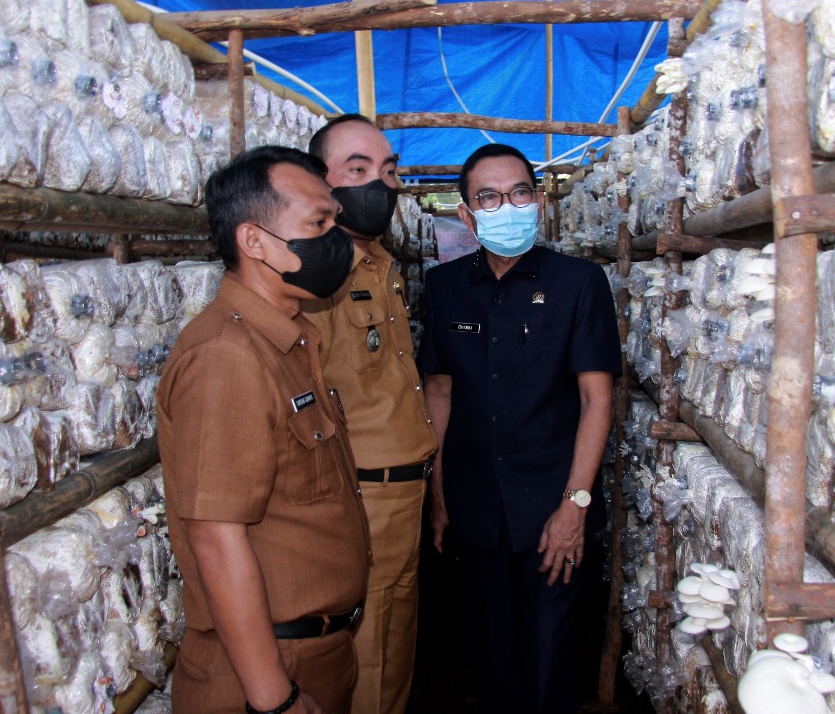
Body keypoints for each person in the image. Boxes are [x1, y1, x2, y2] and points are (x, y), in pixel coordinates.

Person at [157, 146, 371, 714]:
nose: (337, 237)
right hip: (265, 672)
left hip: (312, 655)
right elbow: (215, 537)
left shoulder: (289, 340)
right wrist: (274, 698)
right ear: (254, 242)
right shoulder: (228, 357)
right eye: (319, 223)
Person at [416, 143, 621, 713]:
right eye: (488, 196)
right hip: (476, 503)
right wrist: (438, 492)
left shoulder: (579, 283)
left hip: (554, 503)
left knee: (551, 653)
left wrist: (575, 505)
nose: (506, 205)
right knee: (491, 648)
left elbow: (596, 399)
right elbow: (440, 391)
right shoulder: (445, 287)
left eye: (519, 193)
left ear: (538, 201)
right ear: (466, 213)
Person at [302, 114, 438, 714]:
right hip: (361, 495)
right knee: (366, 653)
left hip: (405, 490)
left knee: (395, 639)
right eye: (357, 170)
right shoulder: (315, 275)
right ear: (320, 182)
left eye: (387, 171)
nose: (377, 185)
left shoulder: (379, 263)